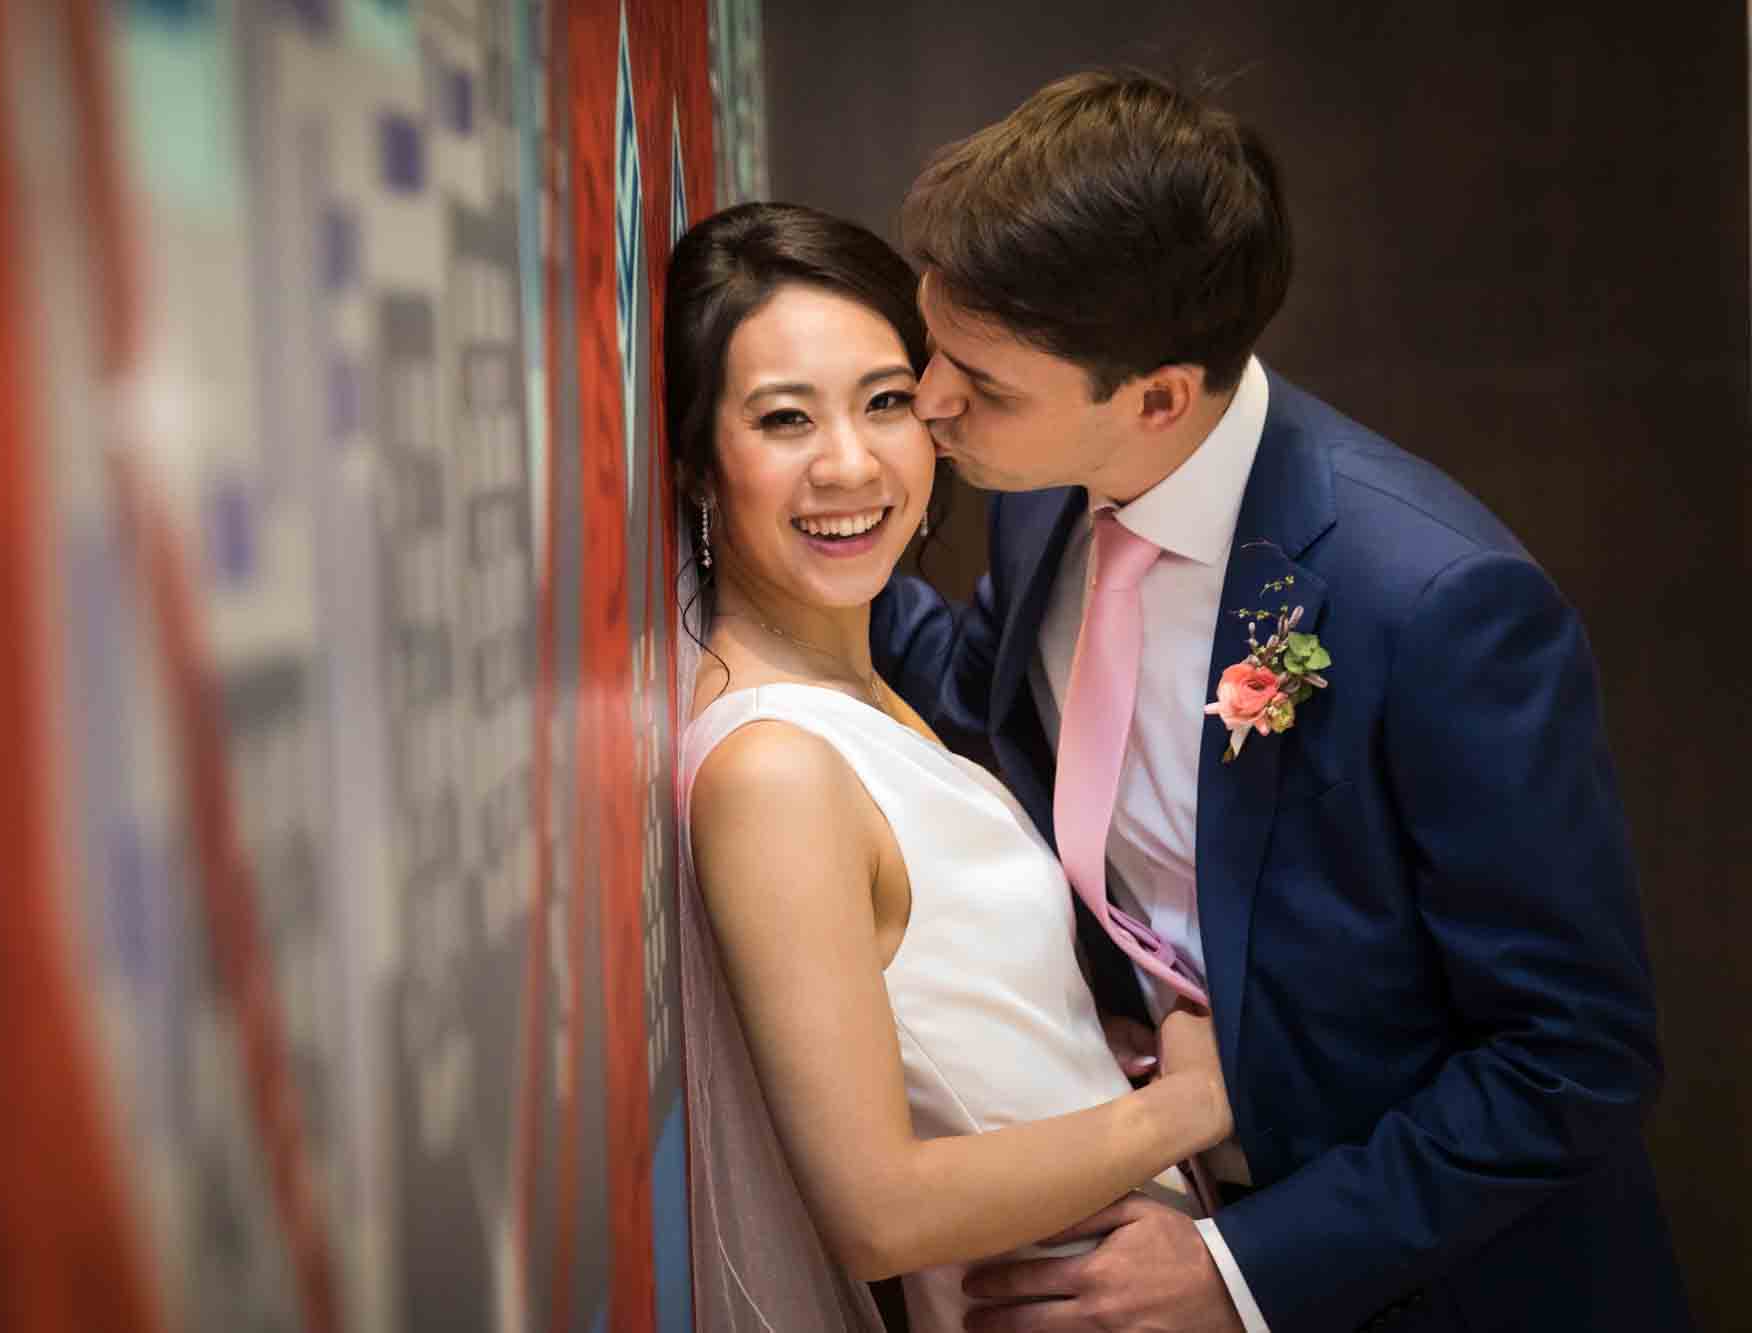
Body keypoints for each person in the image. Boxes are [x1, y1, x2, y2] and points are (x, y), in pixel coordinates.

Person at [870, 70, 1693, 1332]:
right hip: (1159, 1184)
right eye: (934, 350)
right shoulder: (1047, 486)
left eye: (981, 384)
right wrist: (799, 536)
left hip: (1436, 1281)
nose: (928, 402)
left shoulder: (1433, 606)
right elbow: (989, 706)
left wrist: (1239, 1269)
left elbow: (1569, 1058)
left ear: (1156, 396)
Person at [670, 200, 1233, 1333]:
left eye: (884, 403)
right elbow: (878, 1209)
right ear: (696, 464)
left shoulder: (872, 689)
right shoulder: (773, 767)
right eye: (783, 420)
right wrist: (1194, 1102)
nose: (848, 464)